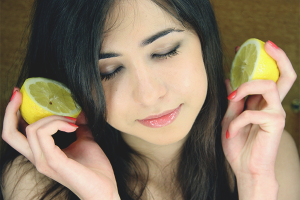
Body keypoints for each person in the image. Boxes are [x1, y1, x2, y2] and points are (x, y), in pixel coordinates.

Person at [1, 0, 300, 199]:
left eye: (165, 51)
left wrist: (256, 183)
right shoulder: (39, 183)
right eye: (108, 71)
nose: (149, 94)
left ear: (203, 40)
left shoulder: (267, 154)